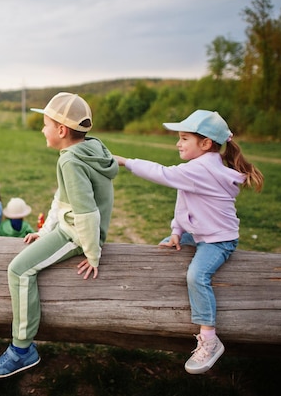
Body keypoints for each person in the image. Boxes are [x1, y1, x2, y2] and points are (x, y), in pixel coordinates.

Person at [113, 109, 264, 375]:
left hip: (219, 240)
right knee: (165, 249)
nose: (178, 143)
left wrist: (125, 161)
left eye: (184, 138)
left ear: (206, 144)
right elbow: (184, 202)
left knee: (197, 275)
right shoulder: (201, 168)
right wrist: (176, 231)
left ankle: (209, 339)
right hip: (199, 232)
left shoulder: (204, 168)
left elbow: (163, 174)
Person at [0, 92, 118, 378]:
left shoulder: (70, 161)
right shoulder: (91, 148)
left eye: (45, 124)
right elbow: (62, 199)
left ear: (61, 130)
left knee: (19, 271)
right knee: (25, 259)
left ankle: (22, 349)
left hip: (77, 235)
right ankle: (22, 347)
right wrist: (45, 232)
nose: (42, 129)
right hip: (70, 226)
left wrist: (93, 253)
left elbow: (85, 214)